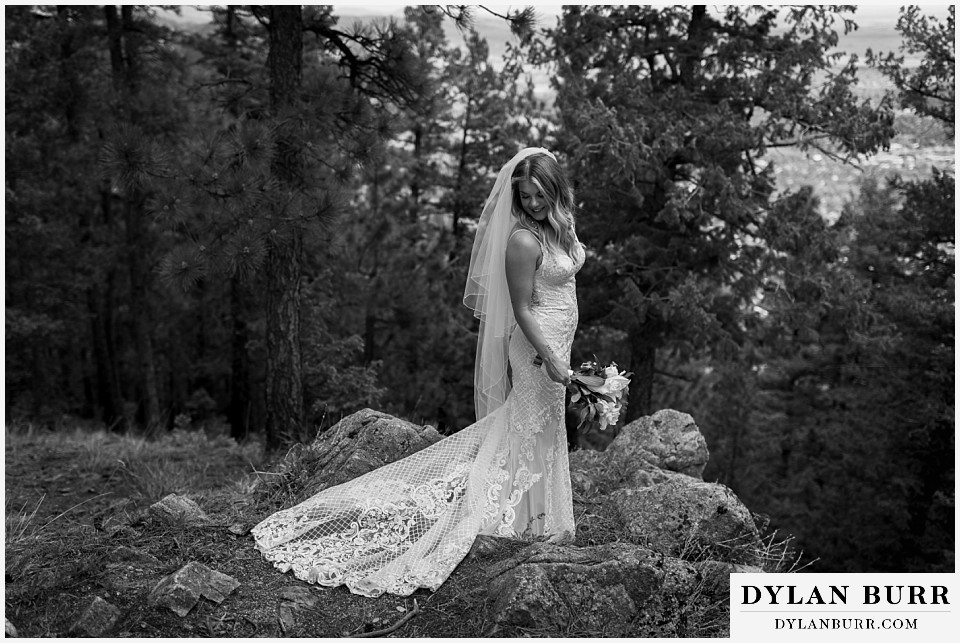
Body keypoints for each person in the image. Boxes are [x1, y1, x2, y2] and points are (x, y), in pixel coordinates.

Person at [251, 147, 585, 598]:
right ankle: (519, 518)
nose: (533, 205)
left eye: (540, 195)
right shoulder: (524, 240)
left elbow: (560, 287)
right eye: (525, 198)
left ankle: (538, 517)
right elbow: (523, 309)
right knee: (529, 426)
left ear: (555, 188)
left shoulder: (559, 226)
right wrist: (551, 357)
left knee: (541, 430)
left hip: (558, 346)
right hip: (536, 351)